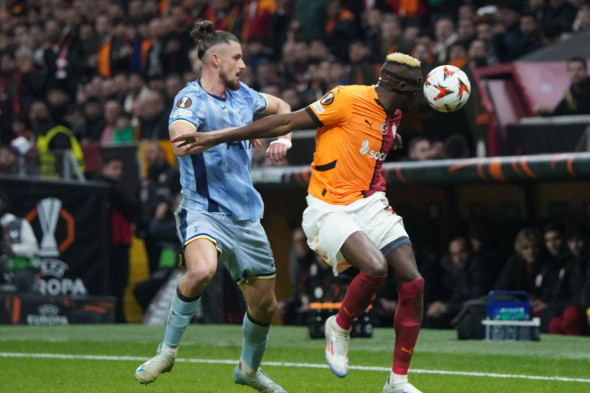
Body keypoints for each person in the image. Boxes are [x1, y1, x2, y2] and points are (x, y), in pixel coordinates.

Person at [173, 52, 426, 393]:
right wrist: (214, 137)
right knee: (376, 268)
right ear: (397, 85)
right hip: (331, 207)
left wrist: (388, 137)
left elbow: (380, 129)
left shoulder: (393, 112)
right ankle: (339, 326)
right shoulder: (347, 98)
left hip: (371, 202)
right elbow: (284, 121)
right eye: (413, 90)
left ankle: (397, 381)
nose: (417, 97)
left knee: (413, 282)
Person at [134, 20, 292, 393]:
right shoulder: (190, 100)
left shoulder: (244, 97)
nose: (243, 65)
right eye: (237, 58)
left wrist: (281, 136)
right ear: (215, 59)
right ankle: (167, 352)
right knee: (202, 271)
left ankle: (249, 371)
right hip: (202, 209)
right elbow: (181, 144)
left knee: (266, 306)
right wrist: (243, 133)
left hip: (246, 215)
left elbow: (283, 107)